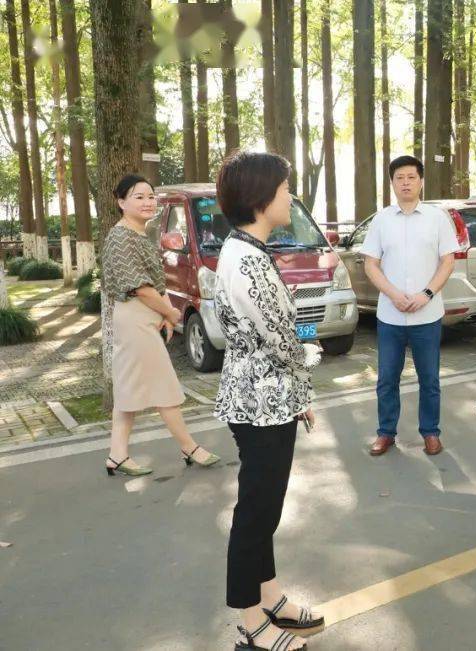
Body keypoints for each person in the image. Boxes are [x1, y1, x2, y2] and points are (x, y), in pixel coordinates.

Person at [214, 151, 322, 651]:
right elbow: (283, 341)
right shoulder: (249, 260)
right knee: (256, 512)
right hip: (261, 401)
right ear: (262, 198)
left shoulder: (244, 251)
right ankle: (250, 621)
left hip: (265, 398)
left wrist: (297, 390)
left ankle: (269, 596)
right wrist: (311, 354)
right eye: (284, 188)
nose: (290, 196)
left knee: (266, 507)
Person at [100, 174, 219, 477]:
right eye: (138, 196)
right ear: (121, 202)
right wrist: (171, 313)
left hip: (141, 317)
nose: (147, 202)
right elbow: (140, 287)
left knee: (127, 391)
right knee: (165, 387)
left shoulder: (137, 234)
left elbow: (151, 285)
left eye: (150, 196)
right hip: (136, 318)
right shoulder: (121, 237)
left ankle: (117, 455)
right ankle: (189, 447)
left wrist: (164, 315)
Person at [361, 155, 460, 457]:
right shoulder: (381, 220)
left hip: (427, 314)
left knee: (429, 379)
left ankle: (430, 432)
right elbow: (371, 264)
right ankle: (385, 433)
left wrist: (426, 293)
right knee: (387, 378)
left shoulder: (437, 218)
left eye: (411, 177)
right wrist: (392, 293)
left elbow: (448, 261)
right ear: (392, 183)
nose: (405, 182)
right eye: (399, 177)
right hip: (390, 315)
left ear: (421, 181)